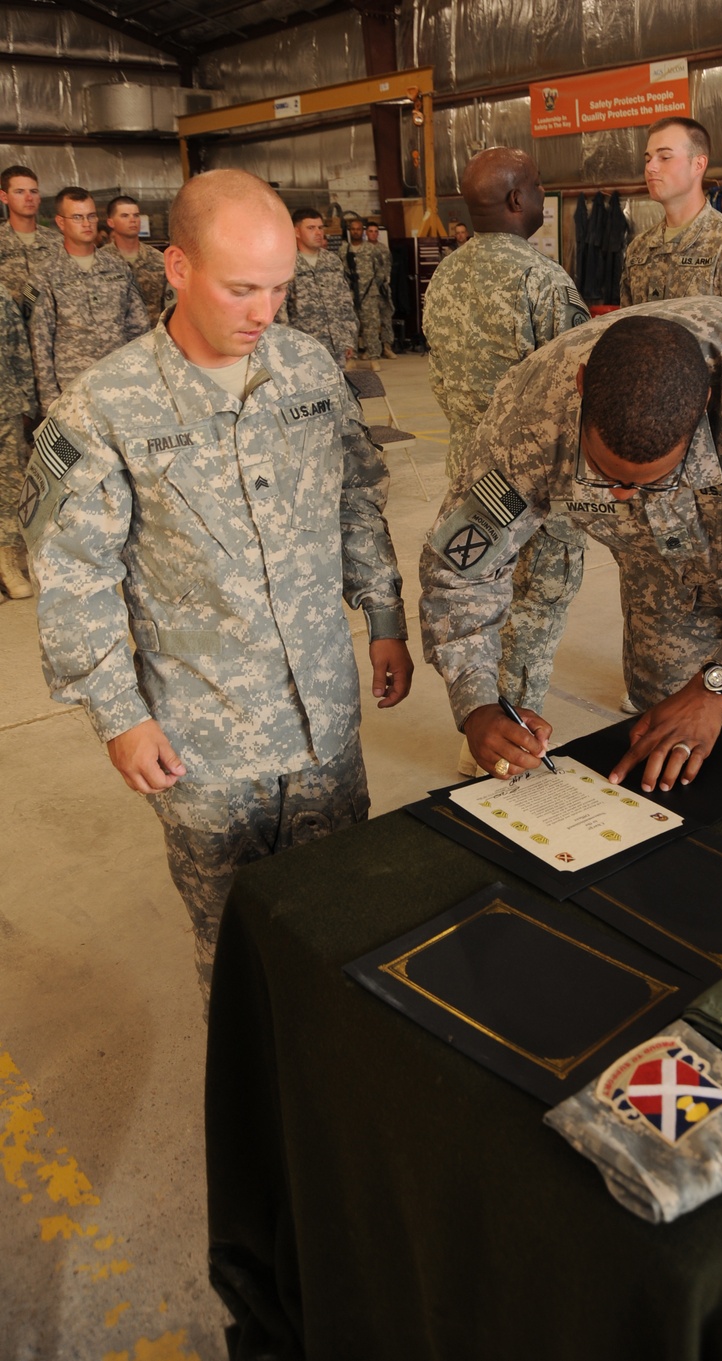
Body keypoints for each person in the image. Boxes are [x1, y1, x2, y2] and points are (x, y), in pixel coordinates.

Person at [19, 168, 413, 1003]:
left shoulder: (306, 368)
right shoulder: (102, 409)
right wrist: (118, 715)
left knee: (345, 920)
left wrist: (383, 612)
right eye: (241, 288)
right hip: (206, 742)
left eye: (278, 288)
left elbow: (356, 492)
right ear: (178, 268)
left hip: (325, 723)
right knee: (237, 949)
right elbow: (73, 575)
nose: (263, 312)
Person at [419, 301, 722, 794]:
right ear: (580, 387)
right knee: (659, 762)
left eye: (649, 480)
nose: (619, 494)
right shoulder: (531, 414)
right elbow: (461, 568)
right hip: (662, 585)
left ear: (703, 408)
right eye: (603, 472)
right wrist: (476, 701)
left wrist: (718, 684)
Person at [422, 146, 591, 771]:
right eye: (541, 185)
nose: (544, 196)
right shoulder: (542, 280)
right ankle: (511, 745)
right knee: (534, 611)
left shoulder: (446, 274)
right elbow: (576, 393)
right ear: (519, 199)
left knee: (474, 602)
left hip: (470, 473)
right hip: (537, 486)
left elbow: (440, 375)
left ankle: (482, 724)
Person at [619, 118, 722, 308]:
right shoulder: (639, 250)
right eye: (647, 159)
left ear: (698, 165)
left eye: (665, 157)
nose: (650, 167)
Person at [28, 186, 149, 415]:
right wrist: (49, 402)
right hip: (73, 390)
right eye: (77, 217)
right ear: (61, 222)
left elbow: (139, 328)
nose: (87, 223)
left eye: (91, 216)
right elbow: (40, 343)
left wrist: (141, 378)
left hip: (120, 382)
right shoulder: (45, 275)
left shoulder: (117, 267)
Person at [282, 207, 358, 368]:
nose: (318, 233)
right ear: (296, 231)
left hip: (336, 346)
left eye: (320, 228)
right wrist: (287, 346)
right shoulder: (286, 263)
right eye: (311, 228)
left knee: (337, 390)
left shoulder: (332, 261)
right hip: (303, 348)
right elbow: (280, 310)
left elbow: (346, 303)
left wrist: (348, 339)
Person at [0, 284, 36, 600]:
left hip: (4, 405)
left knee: (12, 487)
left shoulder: (0, 296)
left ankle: (8, 565)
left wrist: (27, 402)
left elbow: (18, 349)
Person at [0, 164, 61, 311]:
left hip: (48, 326)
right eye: (19, 192)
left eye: (33, 191)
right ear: (4, 197)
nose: (29, 198)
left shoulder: (57, 242)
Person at [103, 194, 168, 328]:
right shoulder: (101, 260)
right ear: (110, 222)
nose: (133, 220)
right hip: (116, 339)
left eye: (136, 215)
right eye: (125, 216)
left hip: (153, 335)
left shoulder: (158, 259)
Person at [339, 218, 391, 359]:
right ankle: (352, 357)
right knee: (351, 327)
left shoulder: (371, 249)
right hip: (350, 294)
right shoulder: (344, 250)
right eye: (353, 229)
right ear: (350, 231)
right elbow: (340, 271)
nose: (356, 232)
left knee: (372, 327)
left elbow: (381, 269)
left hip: (369, 294)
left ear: (362, 231)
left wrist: (374, 284)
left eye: (358, 229)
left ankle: (374, 356)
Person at [364, 221, 396, 358]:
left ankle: (387, 347)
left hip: (382, 289)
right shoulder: (362, 249)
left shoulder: (384, 249)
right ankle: (370, 349)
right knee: (370, 321)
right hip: (368, 291)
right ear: (366, 233)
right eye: (370, 231)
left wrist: (386, 282)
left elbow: (388, 266)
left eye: (375, 231)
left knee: (386, 318)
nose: (373, 234)